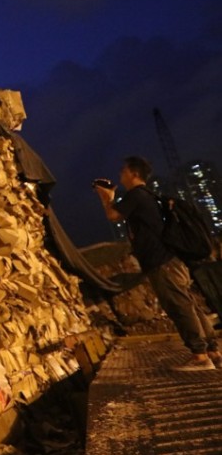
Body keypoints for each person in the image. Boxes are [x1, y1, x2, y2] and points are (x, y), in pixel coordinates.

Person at [94, 155, 221, 371]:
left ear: (134, 173)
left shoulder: (135, 195)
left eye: (123, 171)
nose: (120, 175)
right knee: (188, 304)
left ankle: (200, 357)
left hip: (161, 262)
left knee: (179, 307)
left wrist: (106, 197)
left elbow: (113, 216)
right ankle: (213, 351)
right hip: (172, 260)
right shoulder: (150, 195)